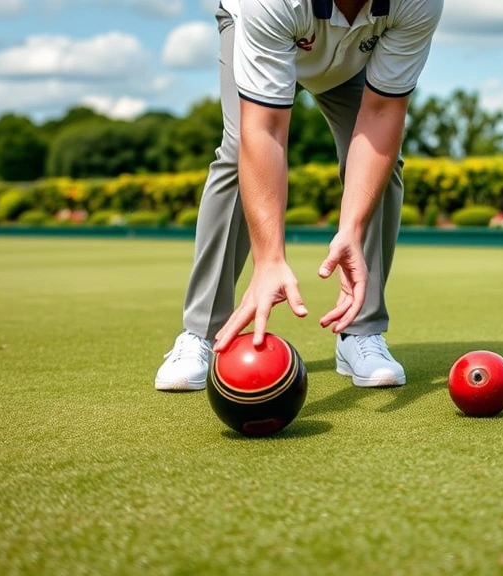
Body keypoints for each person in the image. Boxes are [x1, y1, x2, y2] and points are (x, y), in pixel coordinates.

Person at [154, 0, 444, 391]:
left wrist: (352, 230)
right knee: (240, 147)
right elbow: (266, 130)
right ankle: (202, 332)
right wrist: (269, 258)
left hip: (355, 58)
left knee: (383, 167)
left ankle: (360, 330)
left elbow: (380, 113)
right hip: (264, 26)